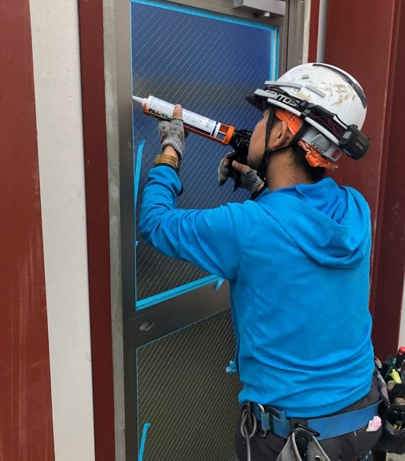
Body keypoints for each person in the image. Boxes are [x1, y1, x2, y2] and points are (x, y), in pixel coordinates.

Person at [139, 63, 382, 460]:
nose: (254, 127)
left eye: (263, 117)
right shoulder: (355, 208)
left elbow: (154, 223)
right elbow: (296, 228)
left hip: (295, 440)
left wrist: (171, 149)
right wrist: (259, 186)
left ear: (282, 133)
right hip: (361, 416)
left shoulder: (248, 226)